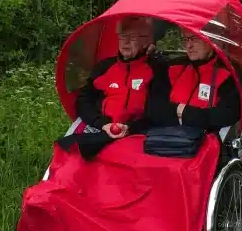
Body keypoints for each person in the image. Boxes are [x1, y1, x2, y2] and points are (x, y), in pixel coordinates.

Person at [58, 16, 168, 159]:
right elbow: (83, 102)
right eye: (122, 36)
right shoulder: (104, 67)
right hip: (101, 130)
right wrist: (103, 124)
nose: (126, 42)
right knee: (70, 158)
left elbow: (158, 110)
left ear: (146, 41)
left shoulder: (156, 70)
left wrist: (130, 128)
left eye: (132, 37)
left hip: (137, 135)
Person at [133, 29, 241, 132]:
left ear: (210, 41)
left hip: (207, 144)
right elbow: (154, 109)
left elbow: (228, 115)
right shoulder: (173, 68)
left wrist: (184, 113)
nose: (189, 45)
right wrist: (191, 115)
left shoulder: (226, 75)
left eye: (195, 39)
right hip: (167, 140)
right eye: (186, 39)